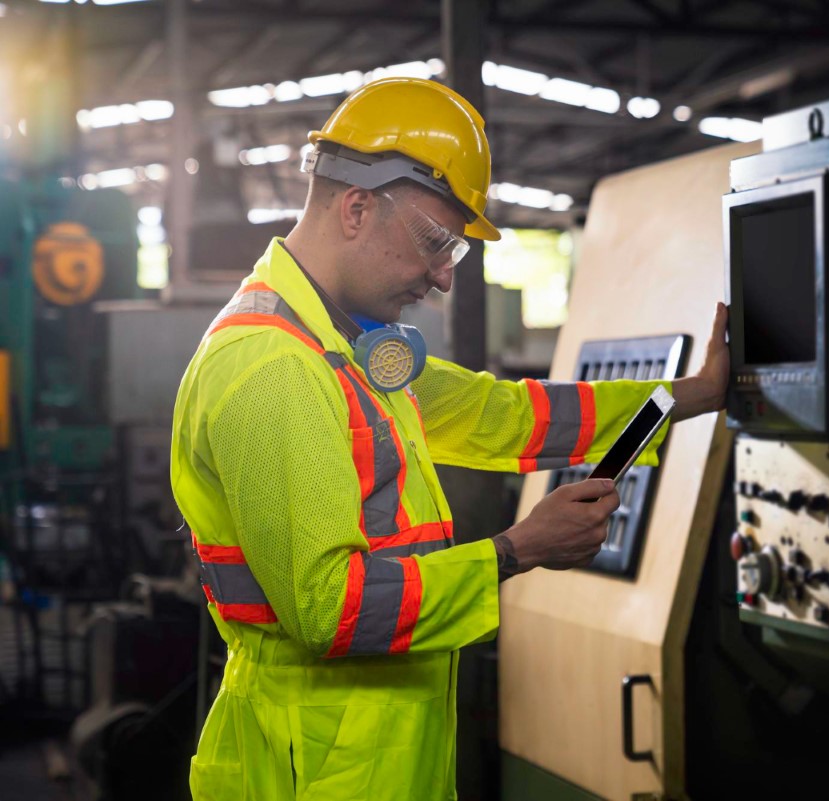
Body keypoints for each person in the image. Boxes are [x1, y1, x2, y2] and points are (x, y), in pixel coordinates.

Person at [171, 77, 729, 801]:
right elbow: (331, 609)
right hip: (307, 768)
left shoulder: (344, 348)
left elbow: (508, 416)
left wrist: (693, 394)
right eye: (435, 243)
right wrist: (519, 549)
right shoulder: (274, 368)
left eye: (454, 252)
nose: (441, 276)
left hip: (363, 751)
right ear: (357, 208)